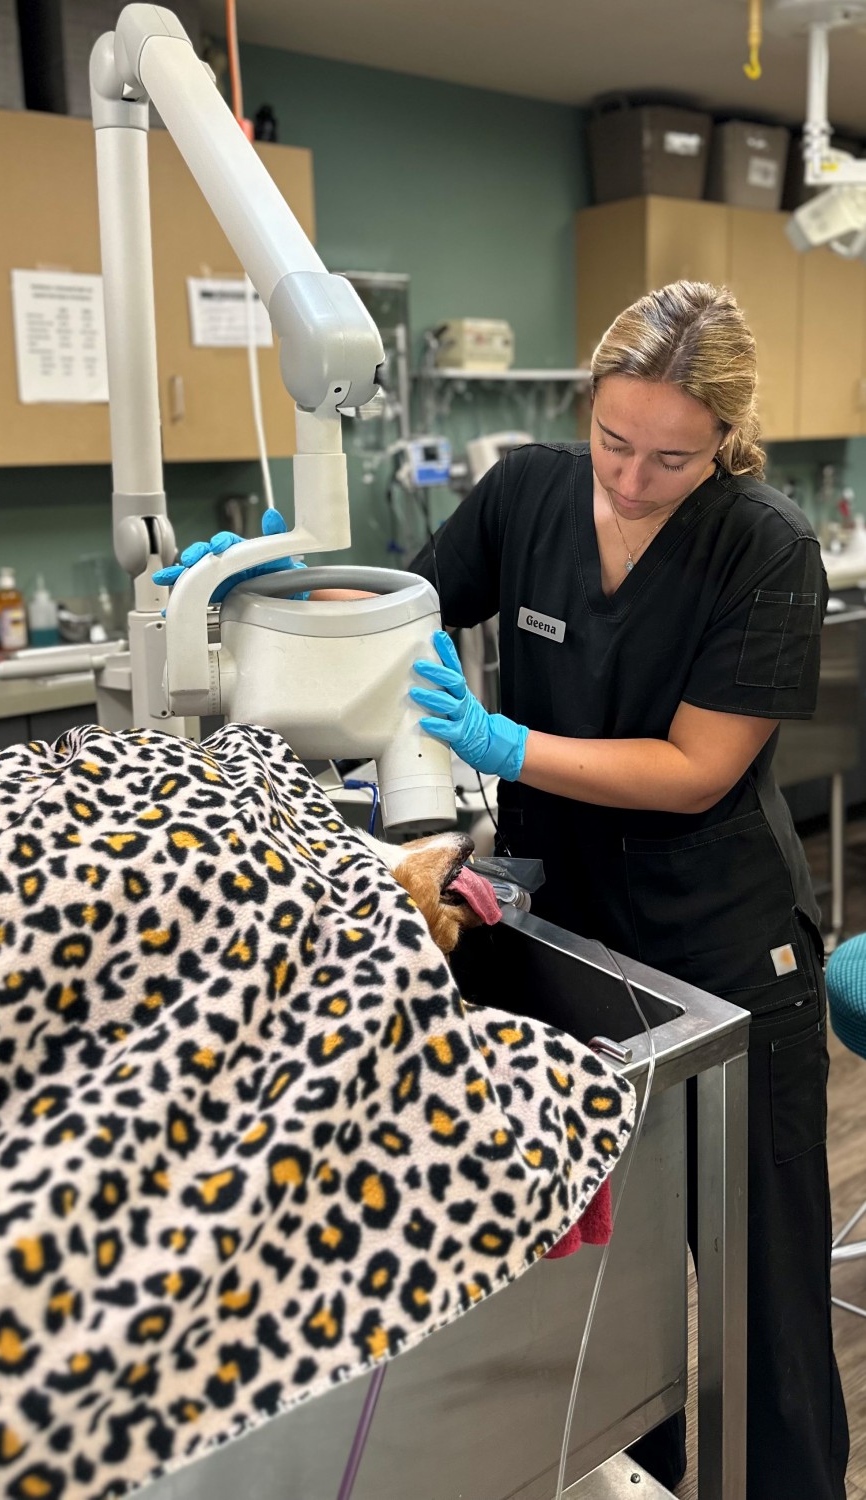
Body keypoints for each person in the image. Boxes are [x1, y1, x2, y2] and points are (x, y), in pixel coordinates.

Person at [155, 279, 849, 1499]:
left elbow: (696, 772)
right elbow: (392, 616)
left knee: (766, 1304)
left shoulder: (766, 549)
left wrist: (503, 744)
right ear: (589, 411)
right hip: (571, 932)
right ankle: (640, 1473)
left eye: (673, 460)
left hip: (727, 947)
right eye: (615, 444)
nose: (632, 482)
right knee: (606, 1277)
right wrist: (251, 594)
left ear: (726, 444)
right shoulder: (527, 490)